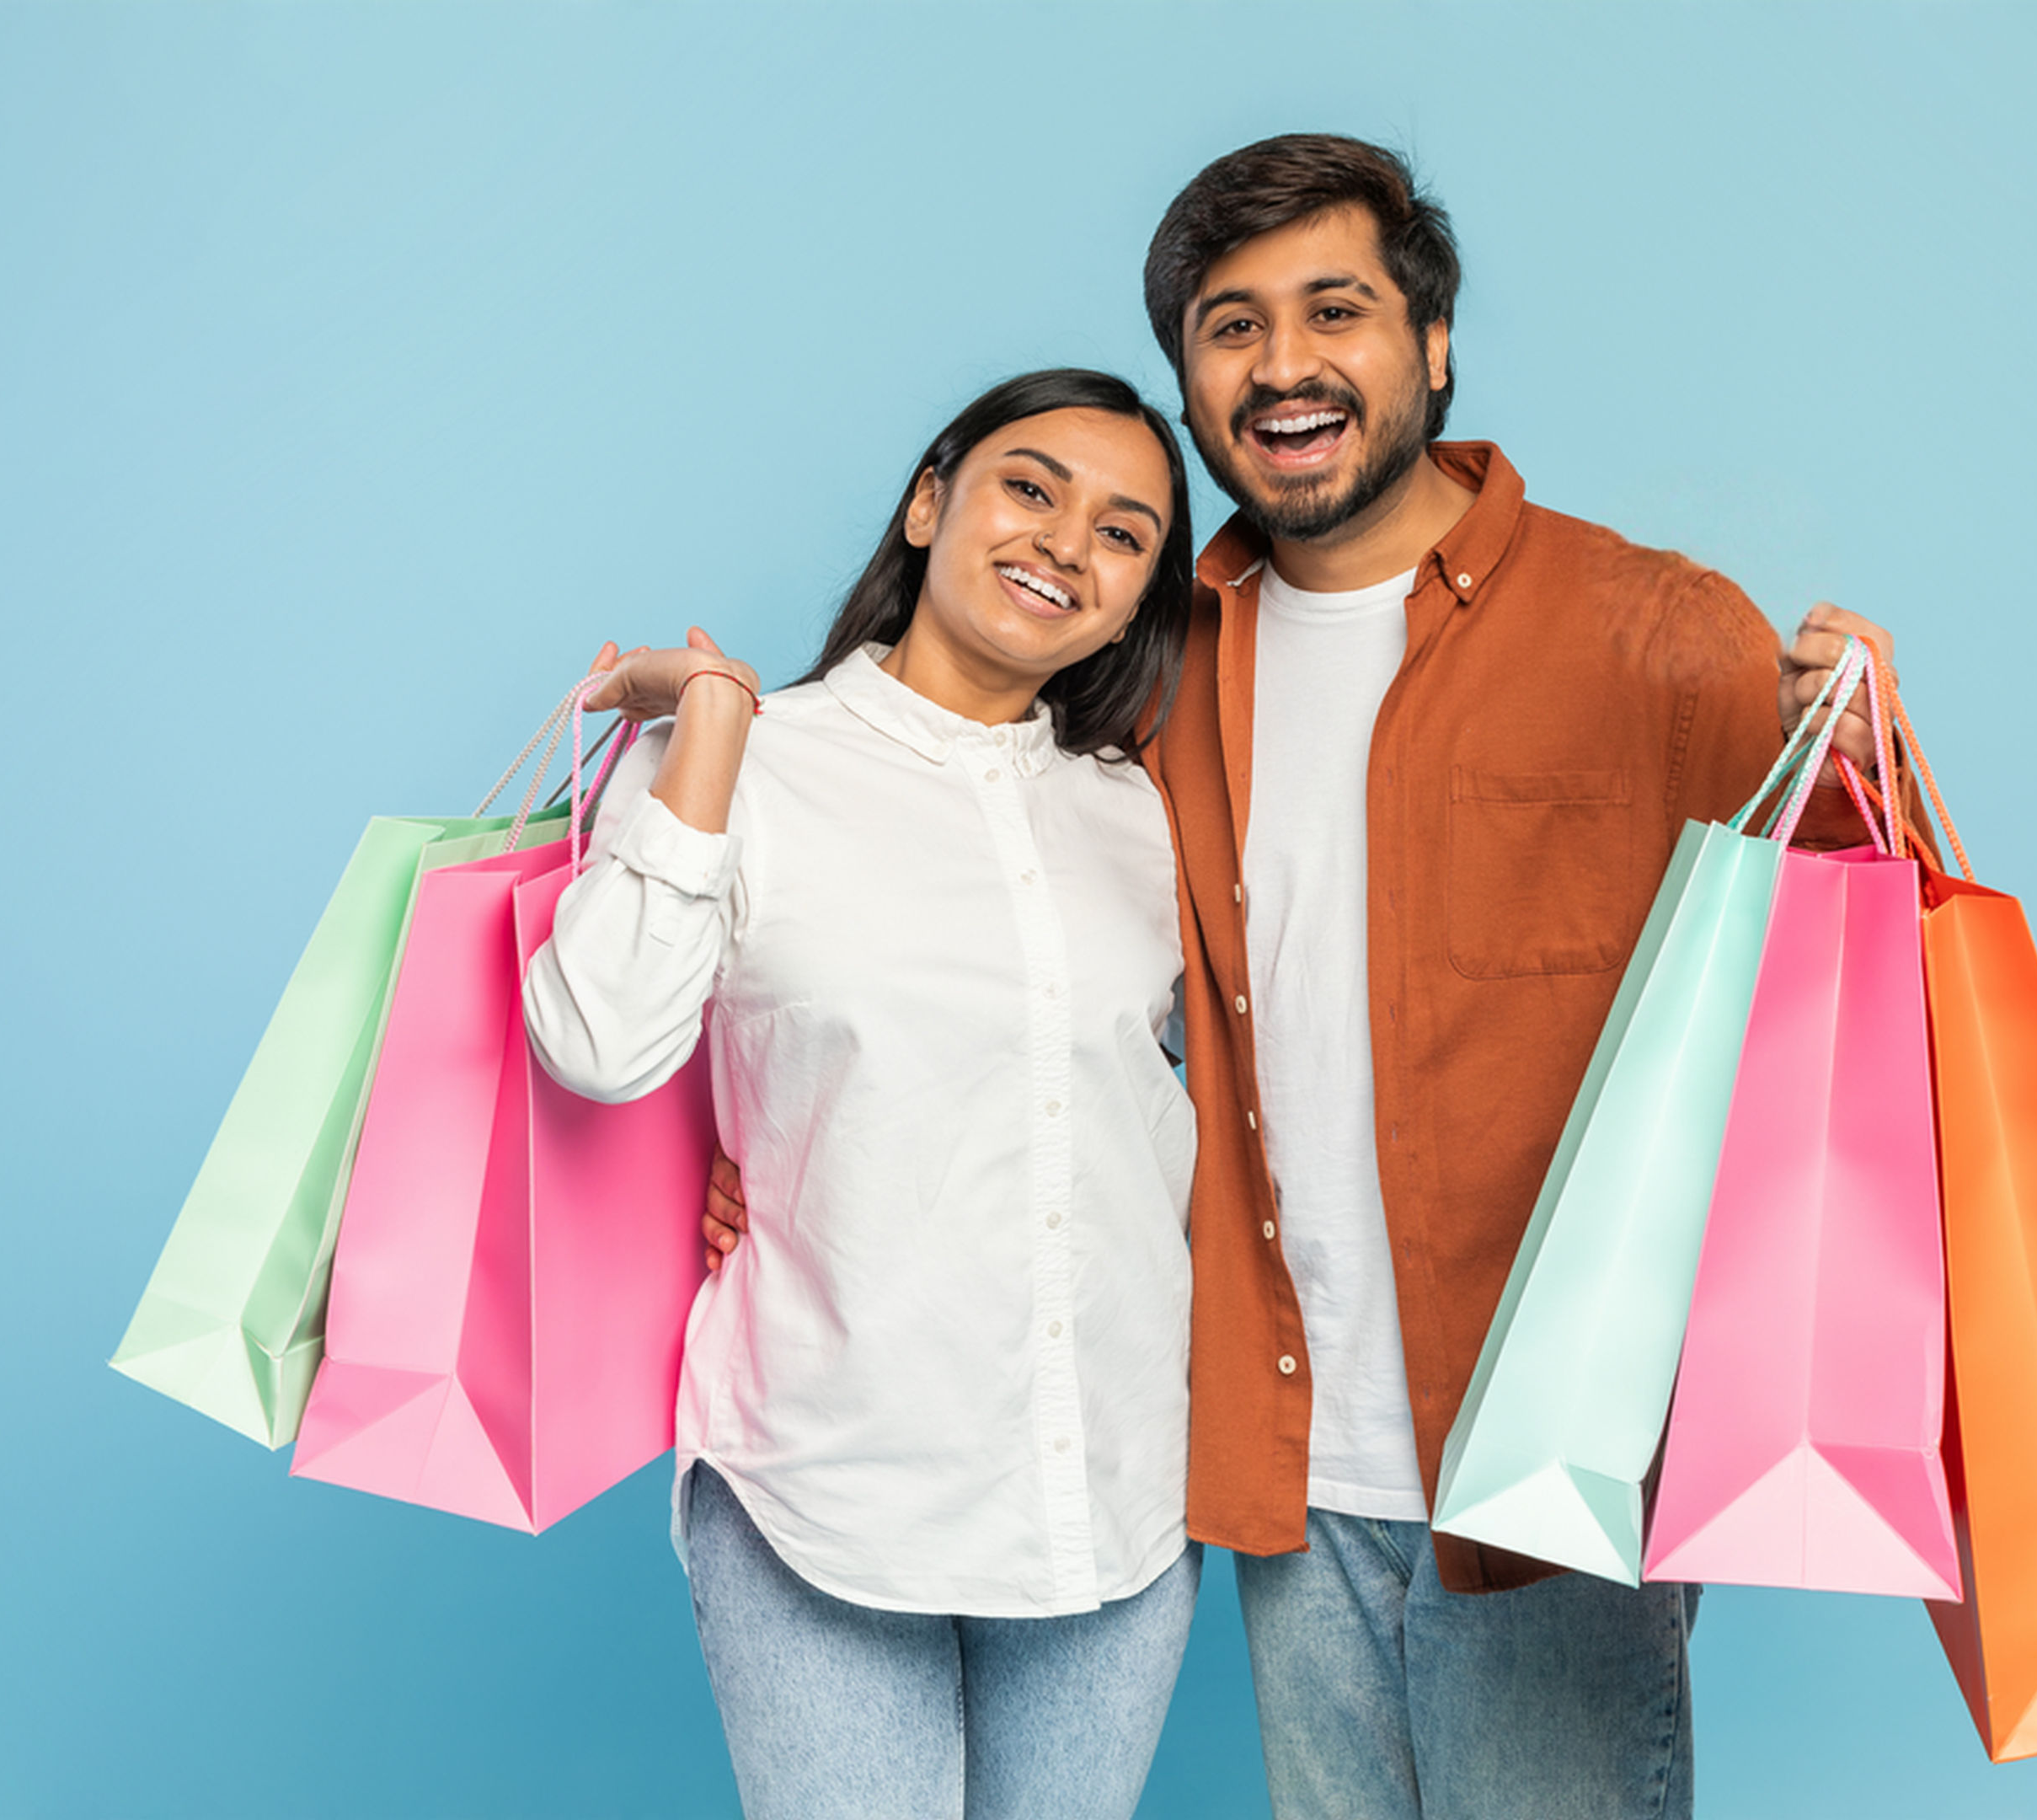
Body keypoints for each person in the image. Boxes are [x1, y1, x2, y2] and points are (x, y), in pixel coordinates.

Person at [714, 136, 1903, 1817]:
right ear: (1196, 392)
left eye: (1331, 310)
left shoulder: (1656, 632)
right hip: (1275, 1476)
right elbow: (967, 959)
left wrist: (1865, 773)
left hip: (1540, 1474)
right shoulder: (1156, 680)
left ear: (1430, 345)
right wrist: (752, 1152)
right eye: (1228, 325)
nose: (1281, 364)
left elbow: (1840, 1019)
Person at [521, 368, 1205, 1820]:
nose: (1068, 543)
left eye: (1126, 531)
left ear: (1141, 593)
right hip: (823, 1481)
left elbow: (1174, 1102)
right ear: (928, 501)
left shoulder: (1139, 810)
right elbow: (598, 1042)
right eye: (1032, 487)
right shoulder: (748, 766)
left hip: (1113, 1492)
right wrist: (711, 722)